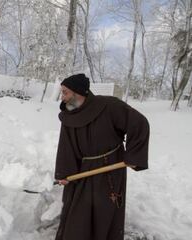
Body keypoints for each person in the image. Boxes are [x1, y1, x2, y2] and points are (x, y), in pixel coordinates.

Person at [54, 73, 150, 240]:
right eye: (62, 92)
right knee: (78, 214)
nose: (62, 97)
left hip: (109, 169)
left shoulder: (109, 106)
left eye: (65, 92)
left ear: (78, 92)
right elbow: (66, 147)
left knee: (103, 211)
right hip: (82, 171)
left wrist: (133, 155)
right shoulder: (69, 115)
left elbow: (139, 124)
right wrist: (64, 174)